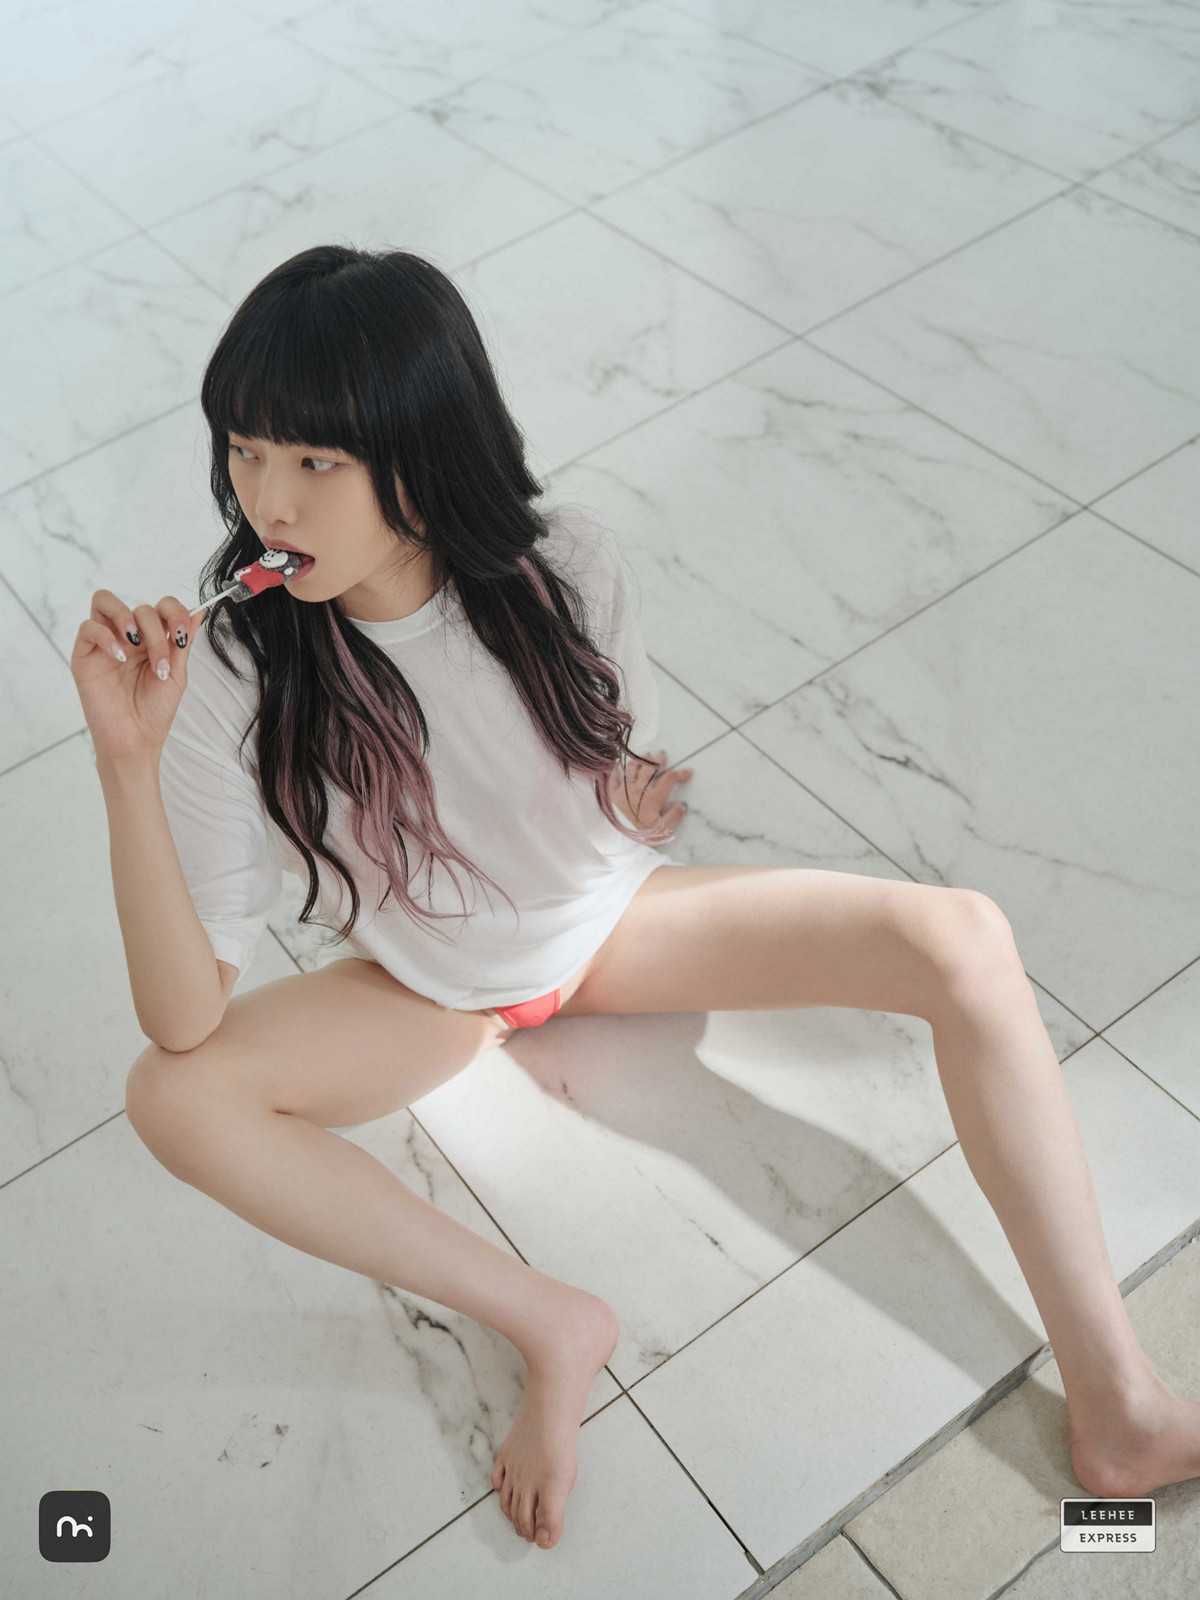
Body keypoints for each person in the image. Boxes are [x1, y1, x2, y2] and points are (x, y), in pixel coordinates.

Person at [70, 246, 1200, 1556]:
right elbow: (184, 1018)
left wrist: (634, 803)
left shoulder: (567, 565)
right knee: (173, 1094)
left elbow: (607, 773)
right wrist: (126, 766)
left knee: (964, 939)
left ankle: (1118, 1398)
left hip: (612, 928)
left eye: (316, 460)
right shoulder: (236, 668)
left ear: (424, 451)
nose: (268, 499)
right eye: (247, 451)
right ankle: (550, 1319)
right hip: (431, 992)